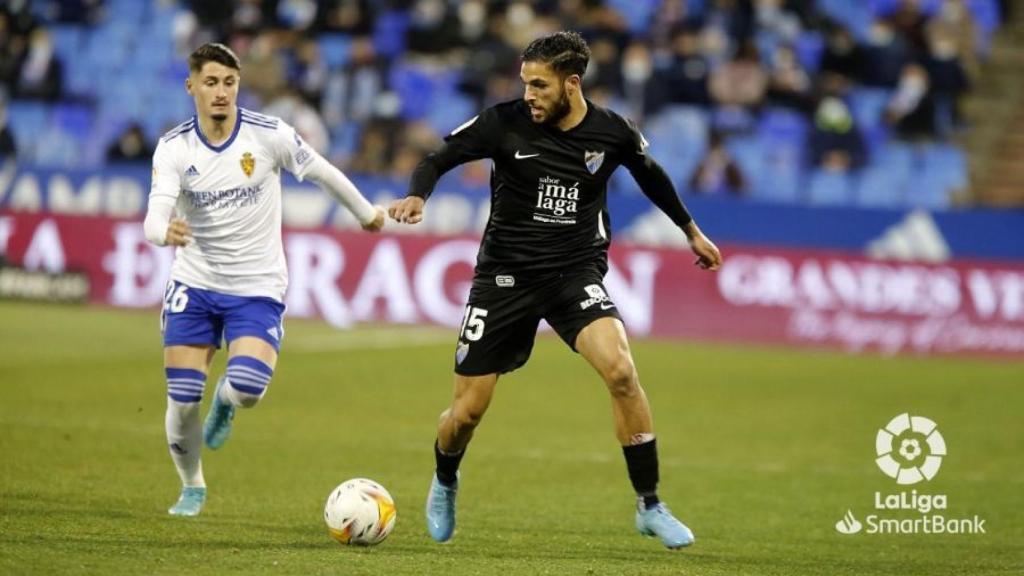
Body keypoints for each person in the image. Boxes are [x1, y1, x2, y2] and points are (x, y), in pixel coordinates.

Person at [389, 31, 722, 549]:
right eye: (525, 83)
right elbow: (438, 157)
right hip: (504, 278)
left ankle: (649, 505)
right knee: (466, 414)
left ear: (572, 83)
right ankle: (446, 480)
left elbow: (650, 174)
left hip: (573, 274)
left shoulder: (612, 132)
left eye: (539, 85)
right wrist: (417, 193)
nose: (529, 94)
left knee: (622, 372)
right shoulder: (503, 123)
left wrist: (691, 231)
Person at [144, 43, 385, 517]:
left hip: (256, 287)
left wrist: (365, 212)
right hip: (195, 284)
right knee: (183, 396)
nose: (220, 92)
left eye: (229, 83)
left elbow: (323, 172)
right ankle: (192, 486)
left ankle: (227, 403)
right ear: (191, 86)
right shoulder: (175, 147)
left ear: (239, 86)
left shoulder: (269, 135)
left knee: (249, 387)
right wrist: (160, 232)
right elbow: (156, 209)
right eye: (210, 82)